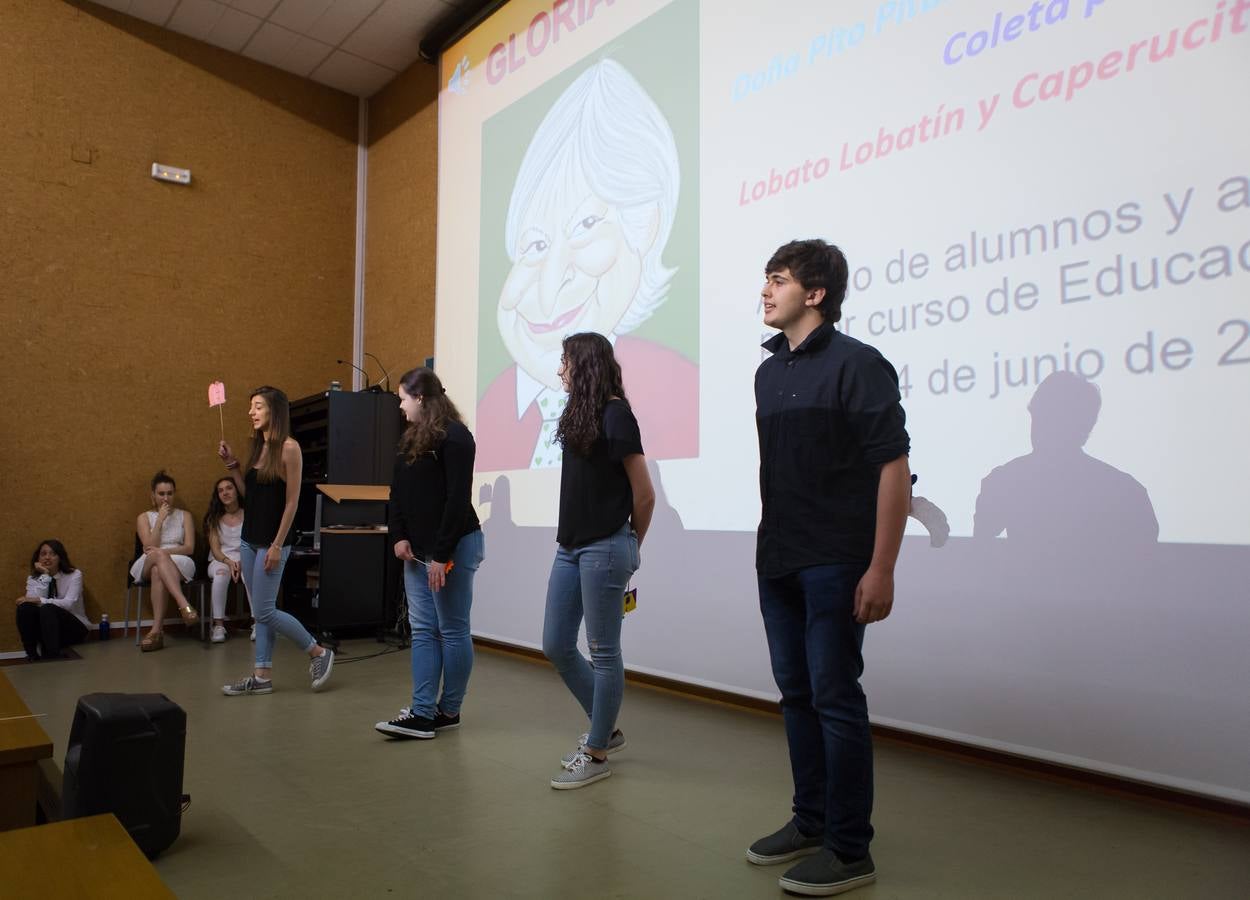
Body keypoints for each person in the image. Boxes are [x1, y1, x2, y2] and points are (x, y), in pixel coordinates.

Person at [748, 240, 911, 896]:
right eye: (766, 279)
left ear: (814, 294)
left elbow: (892, 468)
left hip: (837, 562)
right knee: (796, 696)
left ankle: (850, 849)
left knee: (836, 698)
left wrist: (883, 567)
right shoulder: (766, 373)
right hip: (778, 558)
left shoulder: (859, 365)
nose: (764, 290)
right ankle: (810, 820)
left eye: (778, 280)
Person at [476, 58, 697, 470]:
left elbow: (643, 495)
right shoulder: (494, 403)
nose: (550, 283)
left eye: (586, 225)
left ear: (645, 224)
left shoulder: (676, 388)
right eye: (535, 244)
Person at [542, 332, 654, 789]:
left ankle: (597, 751)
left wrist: (630, 545)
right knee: (555, 644)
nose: (559, 369)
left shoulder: (616, 415)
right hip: (570, 548)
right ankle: (604, 724)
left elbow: (644, 495)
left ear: (584, 364)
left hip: (606, 546)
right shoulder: (579, 414)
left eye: (565, 361)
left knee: (604, 652)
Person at [375, 368, 485, 739]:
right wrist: (399, 535)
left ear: (421, 397)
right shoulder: (409, 440)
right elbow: (398, 494)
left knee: (452, 630)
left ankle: (448, 710)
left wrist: (440, 556)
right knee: (423, 630)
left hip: (453, 547)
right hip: (417, 551)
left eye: (404, 398)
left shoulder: (456, 438)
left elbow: (457, 501)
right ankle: (422, 713)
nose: (401, 406)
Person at [217, 386, 334, 696]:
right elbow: (249, 496)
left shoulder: (290, 448)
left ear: (275, 411)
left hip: (273, 542)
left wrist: (277, 545)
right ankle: (262, 676)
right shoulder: (257, 447)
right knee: (262, 612)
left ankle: (318, 652)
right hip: (249, 540)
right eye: (251, 407)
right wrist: (233, 466)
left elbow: (292, 502)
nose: (251, 412)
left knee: (266, 611)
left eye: (257, 407)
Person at [131, 470, 200, 652]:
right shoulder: (143, 517)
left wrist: (164, 552)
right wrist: (160, 519)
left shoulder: (185, 515)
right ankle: (183, 604)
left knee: (157, 571)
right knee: (156, 558)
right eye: (161, 494)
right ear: (153, 495)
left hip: (180, 561)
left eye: (170, 493)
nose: (166, 498)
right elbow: (148, 547)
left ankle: (156, 632)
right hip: (148, 559)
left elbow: (189, 548)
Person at [15, 540, 89, 661]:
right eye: (43, 554)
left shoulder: (74, 575)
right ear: (38, 558)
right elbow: (30, 604)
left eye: (52, 554)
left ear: (60, 557)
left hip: (73, 628)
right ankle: (32, 654)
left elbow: (68, 604)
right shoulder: (33, 578)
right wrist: (45, 575)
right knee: (25, 608)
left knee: (47, 607)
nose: (47, 557)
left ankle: (53, 656)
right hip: (46, 629)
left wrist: (39, 600)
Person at [204, 476, 253, 643]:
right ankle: (218, 626)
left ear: (237, 491)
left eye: (229, 488)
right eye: (220, 490)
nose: (225, 492)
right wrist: (229, 562)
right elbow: (215, 550)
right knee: (220, 575)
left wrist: (243, 561)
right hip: (221, 560)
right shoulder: (214, 518)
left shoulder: (250, 514)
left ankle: (258, 624)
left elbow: (254, 543)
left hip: (246, 557)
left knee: (250, 574)